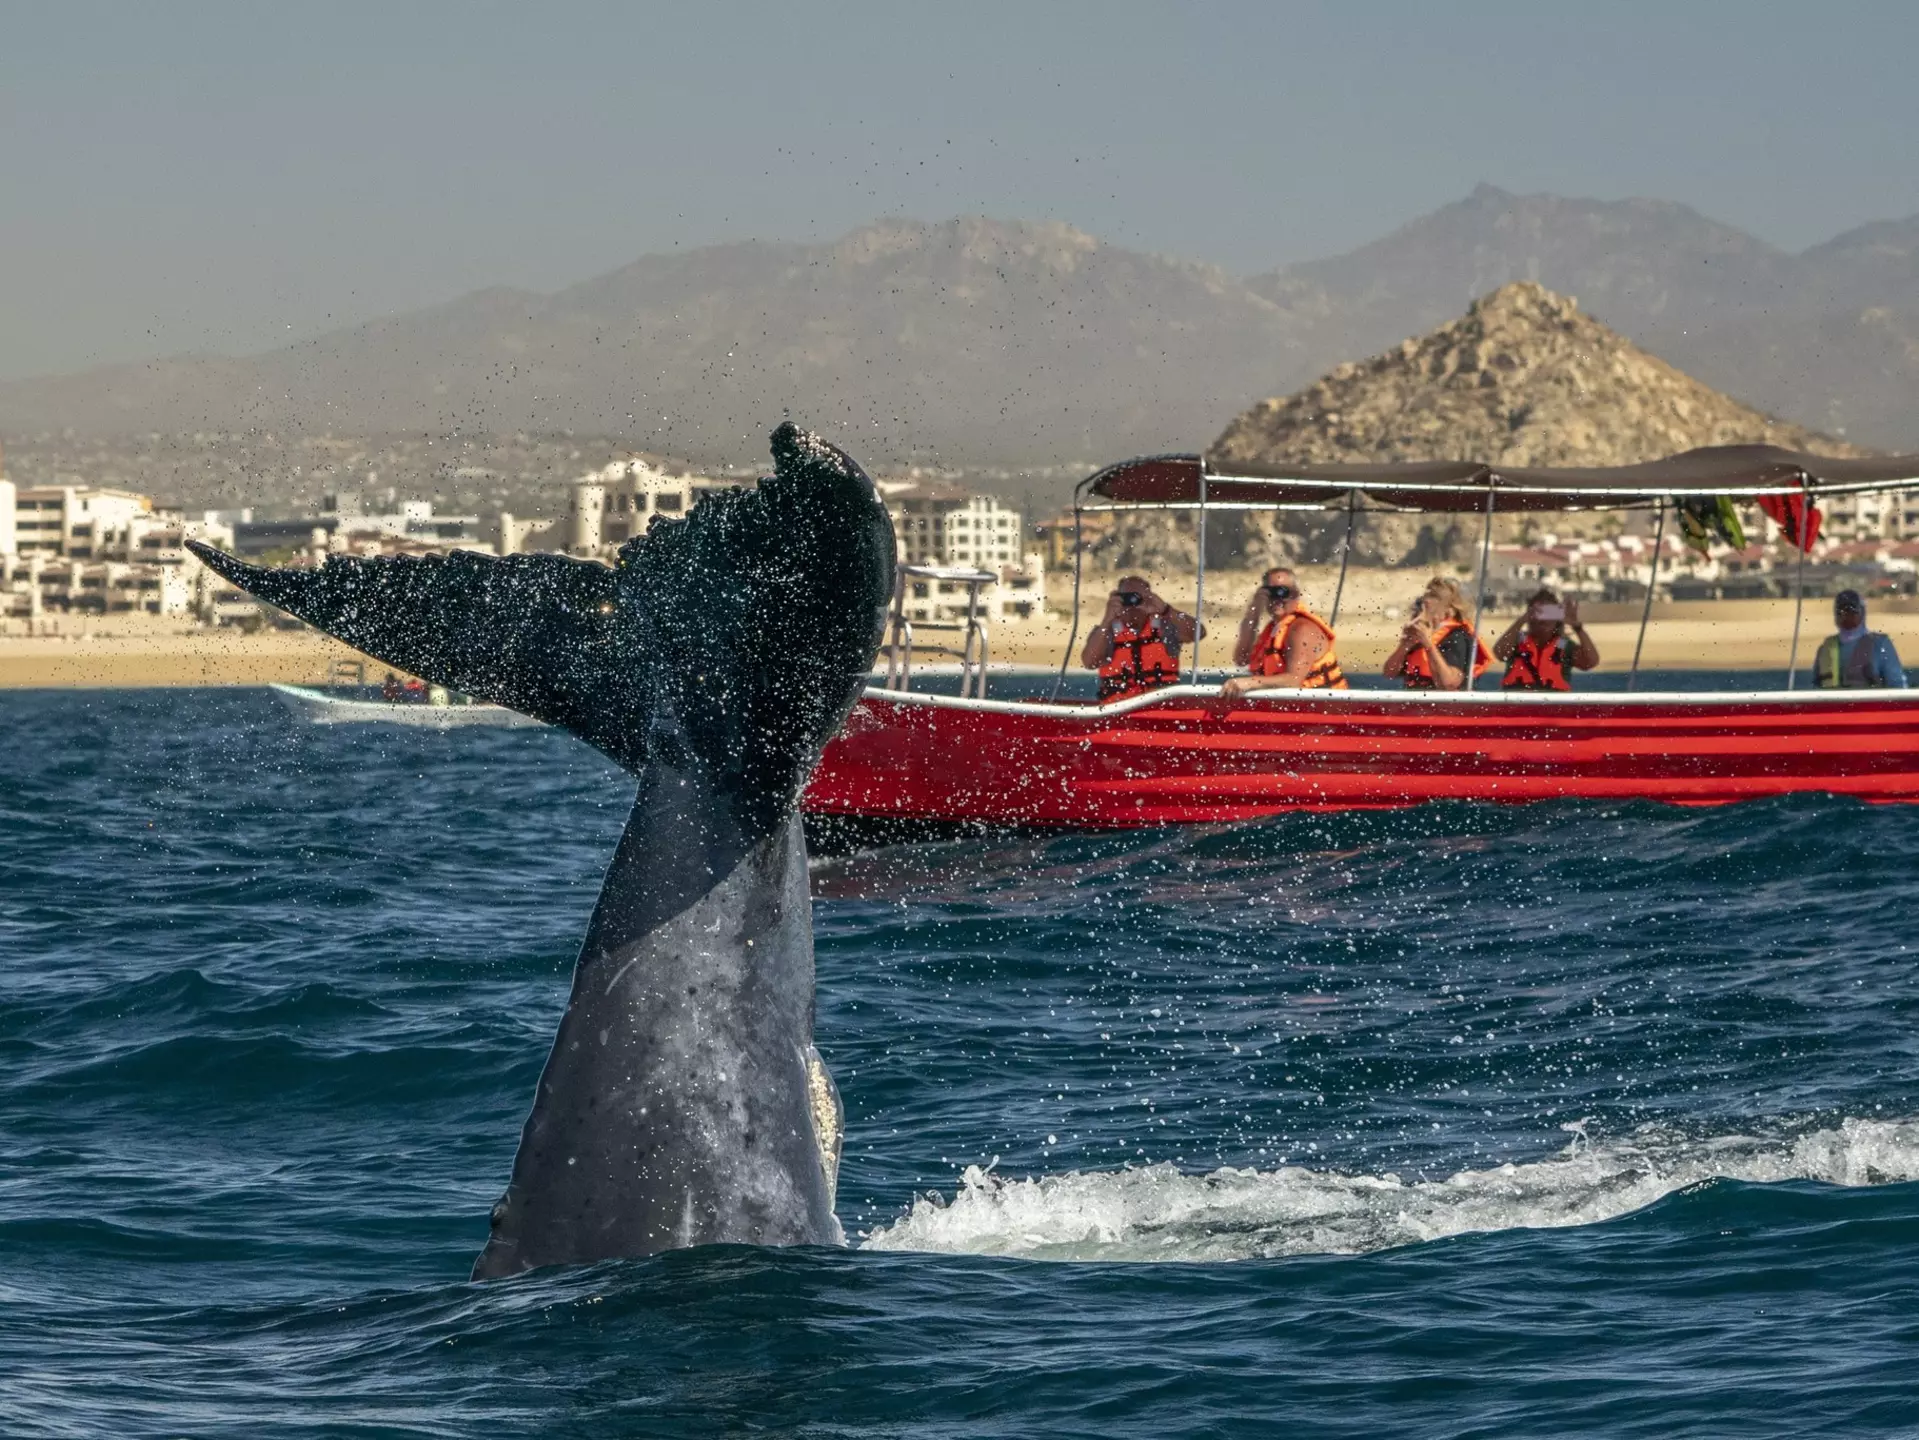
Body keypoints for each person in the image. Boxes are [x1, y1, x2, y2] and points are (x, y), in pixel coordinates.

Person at [1221, 568, 1347, 698]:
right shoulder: (1273, 630)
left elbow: (1293, 680)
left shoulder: (1302, 629)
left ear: (1295, 594)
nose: (1277, 599)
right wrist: (1254, 610)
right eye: (1271, 593)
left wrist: (1249, 682)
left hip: (1324, 708)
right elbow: (1241, 659)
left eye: (1282, 592)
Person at [1081, 575, 1200, 701]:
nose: (1132, 604)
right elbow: (1090, 662)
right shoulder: (1106, 632)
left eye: (1137, 597)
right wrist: (1107, 619)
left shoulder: (1165, 627)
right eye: (1126, 598)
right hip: (1117, 710)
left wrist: (1165, 610)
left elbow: (1198, 633)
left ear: (1148, 597)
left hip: (1161, 708)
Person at [1383, 576, 1491, 690]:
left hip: (1447, 705)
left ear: (1450, 610)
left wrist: (1428, 644)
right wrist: (1405, 645)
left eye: (1434, 597)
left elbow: (1449, 683)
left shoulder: (1458, 636)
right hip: (1415, 704)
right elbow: (1389, 673)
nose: (1426, 601)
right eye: (1426, 596)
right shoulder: (1418, 634)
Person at [1494, 588, 1599, 690]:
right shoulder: (1516, 641)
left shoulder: (1565, 647)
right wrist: (1520, 621)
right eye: (1539, 612)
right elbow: (1499, 654)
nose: (1544, 619)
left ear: (1558, 617)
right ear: (1530, 615)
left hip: (1552, 705)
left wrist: (1577, 627)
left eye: (1550, 612)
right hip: (1517, 703)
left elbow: (1590, 662)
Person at [1814, 590, 1907, 688]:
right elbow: (1814, 688)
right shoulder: (1825, 648)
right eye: (1841, 611)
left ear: (1862, 613)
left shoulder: (1880, 644)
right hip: (1832, 703)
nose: (1846, 615)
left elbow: (1897, 685)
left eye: (1852, 610)